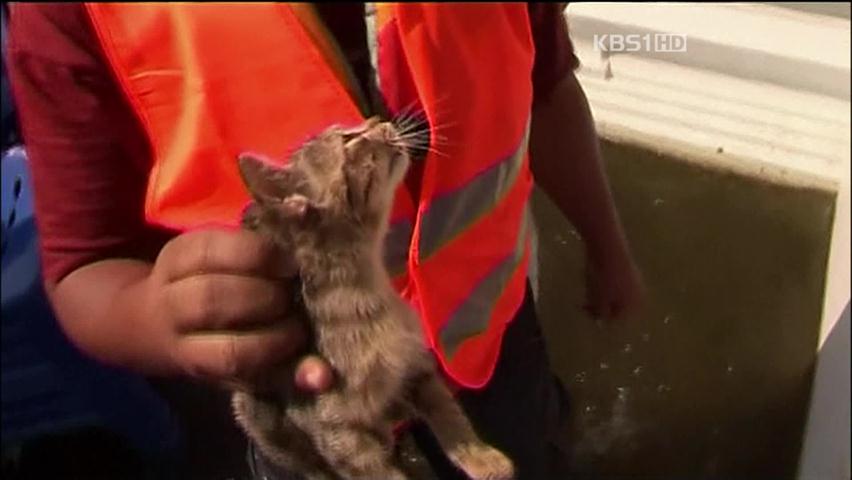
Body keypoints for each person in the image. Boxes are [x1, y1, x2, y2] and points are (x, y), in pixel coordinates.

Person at [7, 3, 644, 479]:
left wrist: (607, 245)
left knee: (523, 454)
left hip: (490, 342)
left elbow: (547, 84)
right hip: (305, 388)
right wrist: (150, 316)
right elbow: (84, 264)